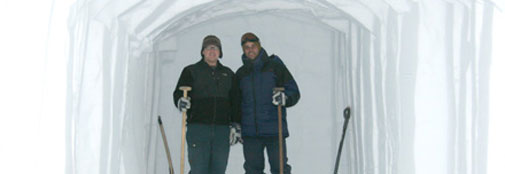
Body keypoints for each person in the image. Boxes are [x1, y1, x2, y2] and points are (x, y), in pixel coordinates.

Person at [173, 35, 241, 174]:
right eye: (208, 48)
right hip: (198, 128)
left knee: (218, 170)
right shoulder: (191, 71)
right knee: (199, 169)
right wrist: (181, 101)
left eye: (215, 48)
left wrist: (236, 124)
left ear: (220, 53)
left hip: (222, 131)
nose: (212, 51)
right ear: (203, 51)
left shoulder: (228, 74)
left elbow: (236, 102)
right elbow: (179, 93)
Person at [234, 32, 301, 174]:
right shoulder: (240, 74)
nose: (250, 50)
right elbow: (236, 103)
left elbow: (294, 91)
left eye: (253, 46)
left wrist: (284, 98)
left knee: (280, 170)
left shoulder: (275, 67)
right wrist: (237, 124)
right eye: (246, 47)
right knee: (252, 171)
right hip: (251, 133)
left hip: (275, 131)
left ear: (259, 46)